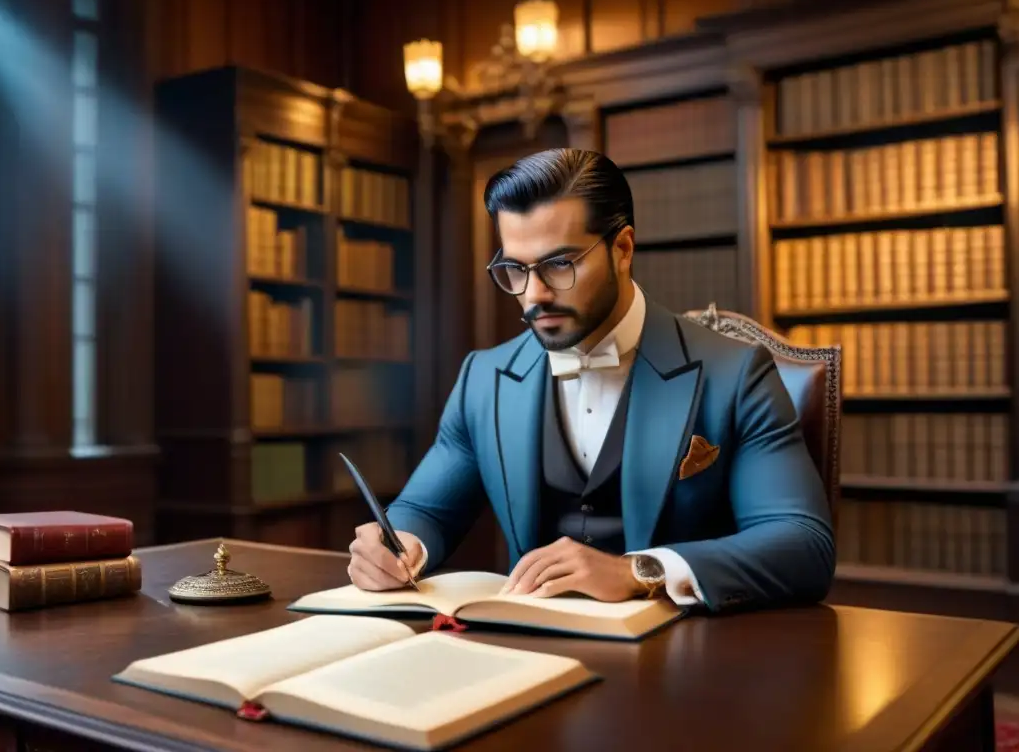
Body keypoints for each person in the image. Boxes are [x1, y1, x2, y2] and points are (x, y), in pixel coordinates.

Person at [348, 147, 835, 612]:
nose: (533, 294)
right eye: (515, 269)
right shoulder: (485, 378)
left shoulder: (737, 374)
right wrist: (399, 544)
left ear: (623, 249)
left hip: (685, 663)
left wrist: (640, 571)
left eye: (559, 264)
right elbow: (427, 510)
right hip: (531, 651)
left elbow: (802, 544)